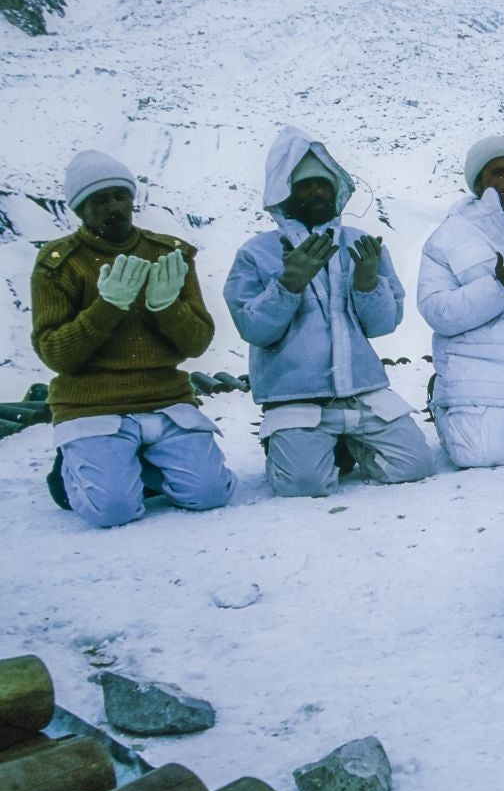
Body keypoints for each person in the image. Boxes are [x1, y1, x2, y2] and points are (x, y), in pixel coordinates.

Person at [224, 128, 435, 497]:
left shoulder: (360, 244)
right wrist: (288, 284)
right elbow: (254, 329)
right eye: (305, 187)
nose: (317, 192)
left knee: (415, 465)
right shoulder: (257, 252)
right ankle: (290, 447)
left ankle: (345, 443)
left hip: (362, 389)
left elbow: (384, 325)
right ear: (285, 193)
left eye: (323, 184)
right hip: (295, 397)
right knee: (304, 486)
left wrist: (368, 284)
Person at [31, 151, 235, 527]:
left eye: (120, 195)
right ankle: (75, 472)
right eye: (98, 200)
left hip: (165, 400)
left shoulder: (169, 253)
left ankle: (131, 463)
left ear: (132, 198)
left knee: (211, 493)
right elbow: (56, 354)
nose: (114, 206)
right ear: (79, 209)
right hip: (91, 406)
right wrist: (107, 307)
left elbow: (196, 343)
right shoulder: (58, 262)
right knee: (112, 512)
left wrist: (165, 307)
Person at [417, 136, 504, 468]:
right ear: (479, 180)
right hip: (482, 372)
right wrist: (499, 286)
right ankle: (447, 403)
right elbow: (438, 311)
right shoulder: (448, 236)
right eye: (497, 173)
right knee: (484, 455)